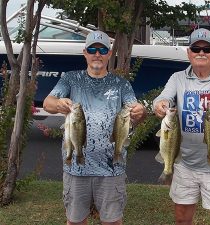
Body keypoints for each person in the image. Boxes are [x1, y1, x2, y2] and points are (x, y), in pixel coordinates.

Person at [43, 30, 146, 225]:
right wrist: (58, 104)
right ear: (85, 53)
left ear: (109, 54)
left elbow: (135, 112)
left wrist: (140, 112)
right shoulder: (70, 79)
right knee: (74, 221)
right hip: (75, 168)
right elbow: (48, 102)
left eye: (102, 50)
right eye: (92, 49)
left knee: (113, 221)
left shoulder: (121, 84)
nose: (97, 54)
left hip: (112, 169)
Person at [153, 28, 210, 225]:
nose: (201, 53)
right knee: (181, 218)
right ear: (189, 52)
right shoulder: (177, 78)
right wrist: (160, 104)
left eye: (206, 49)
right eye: (196, 48)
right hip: (184, 164)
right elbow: (163, 97)